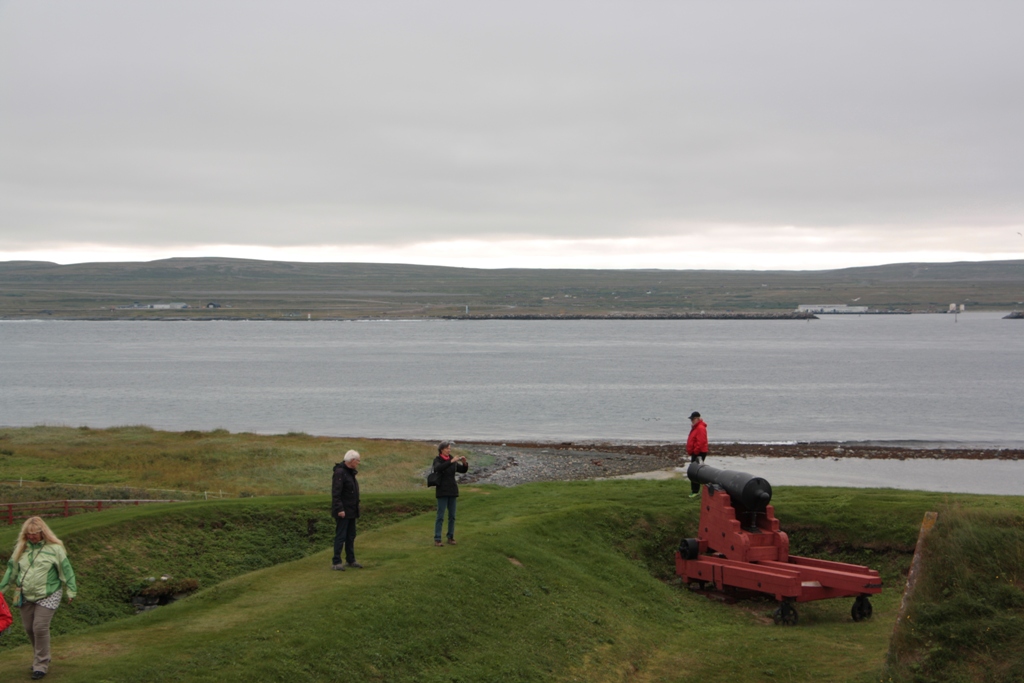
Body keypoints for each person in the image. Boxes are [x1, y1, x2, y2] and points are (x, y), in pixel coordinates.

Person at [0, 516, 78, 680]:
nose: (32, 537)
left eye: (34, 533)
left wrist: (71, 590)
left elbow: (66, 570)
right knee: (29, 628)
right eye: (28, 534)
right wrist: (1, 589)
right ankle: (42, 656)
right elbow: (11, 572)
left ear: (43, 532)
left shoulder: (55, 549)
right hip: (25, 595)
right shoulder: (21, 549)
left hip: (48, 594)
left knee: (40, 628)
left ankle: (41, 664)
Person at [331, 449, 362, 571]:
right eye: (358, 461)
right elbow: (336, 493)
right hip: (343, 511)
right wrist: (339, 509)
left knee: (351, 536)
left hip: (351, 510)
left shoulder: (350, 472)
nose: (358, 463)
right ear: (352, 460)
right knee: (341, 536)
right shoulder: (340, 472)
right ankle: (336, 561)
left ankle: (351, 559)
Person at [432, 441, 468, 546]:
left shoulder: (452, 460)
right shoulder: (437, 460)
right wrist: (451, 461)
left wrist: (464, 463)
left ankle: (450, 537)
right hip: (442, 491)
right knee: (440, 516)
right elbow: (438, 468)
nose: (449, 450)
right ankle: (437, 539)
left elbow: (463, 470)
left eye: (449, 448)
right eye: (447, 448)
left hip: (452, 490)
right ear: (442, 450)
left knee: (452, 516)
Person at [686, 411, 709, 498]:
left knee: (694, 471)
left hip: (699, 453)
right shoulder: (696, 427)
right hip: (696, 452)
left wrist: (695, 452)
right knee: (695, 471)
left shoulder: (700, 428)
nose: (691, 421)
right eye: (691, 419)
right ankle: (695, 490)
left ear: (697, 419)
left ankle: (695, 491)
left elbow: (701, 442)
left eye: (693, 419)